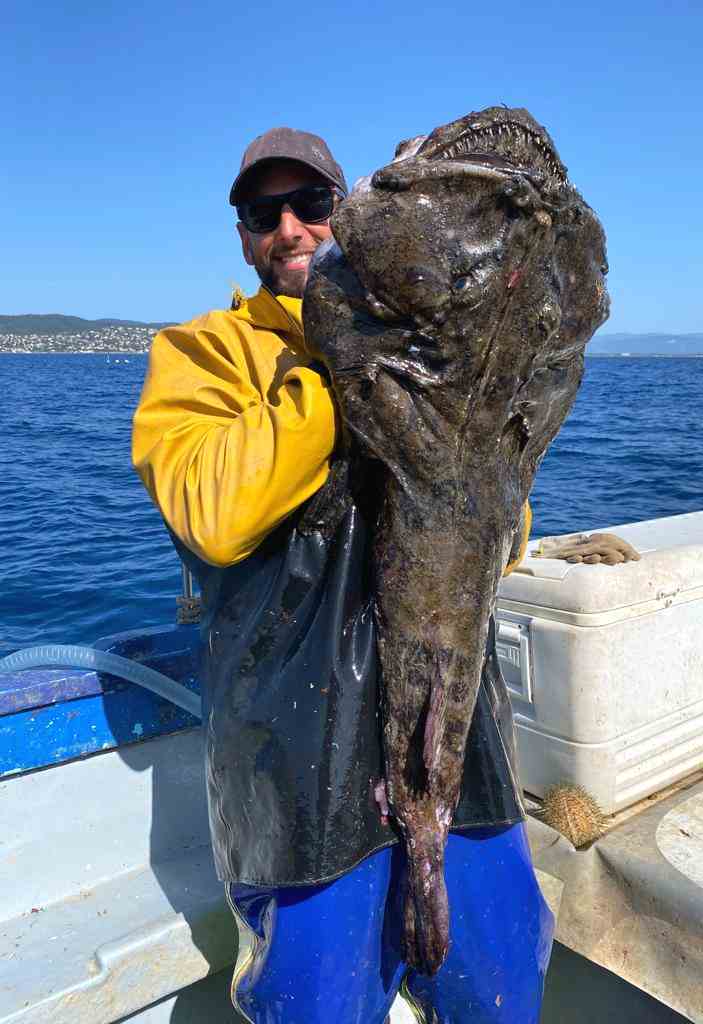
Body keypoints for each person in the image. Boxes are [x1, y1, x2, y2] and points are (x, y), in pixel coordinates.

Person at [132, 127, 555, 1024]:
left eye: (311, 204)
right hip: (298, 769)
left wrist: (452, 383)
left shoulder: (427, 352)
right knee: (317, 1000)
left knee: (503, 975)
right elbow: (212, 512)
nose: (289, 228)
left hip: (455, 740)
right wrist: (344, 358)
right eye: (263, 213)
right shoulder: (201, 354)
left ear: (349, 214)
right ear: (244, 237)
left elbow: (508, 540)